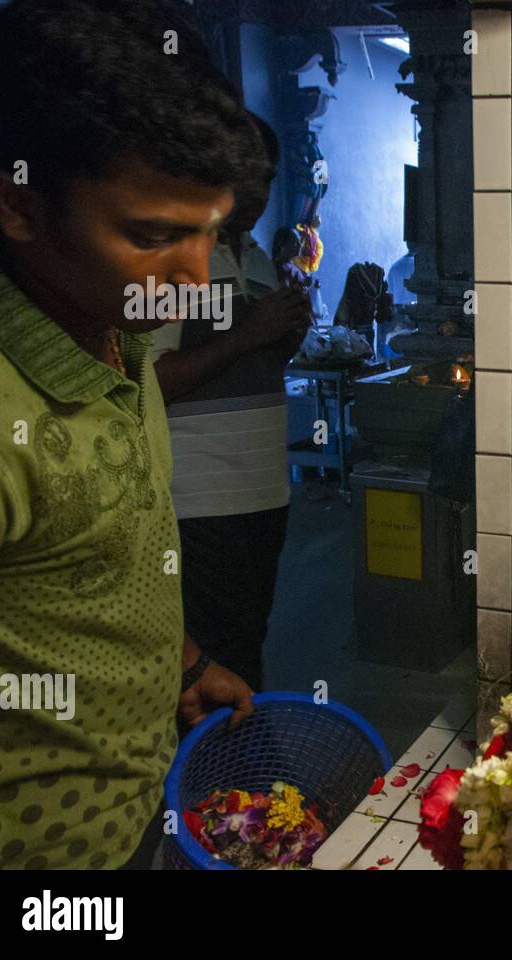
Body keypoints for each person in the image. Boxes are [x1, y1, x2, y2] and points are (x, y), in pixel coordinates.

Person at [0, 0, 260, 868]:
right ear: (22, 204)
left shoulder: (115, 327)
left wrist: (179, 664)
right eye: (153, 236)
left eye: (209, 231)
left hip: (140, 812)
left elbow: (94, 563)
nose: (195, 279)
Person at [151, 115, 310, 692]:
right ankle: (223, 767)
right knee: (212, 648)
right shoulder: (177, 264)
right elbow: (154, 380)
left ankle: (242, 767)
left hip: (265, 488)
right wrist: (251, 333)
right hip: (200, 496)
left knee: (248, 636)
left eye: (266, 177)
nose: (259, 193)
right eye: (245, 177)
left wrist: (283, 336)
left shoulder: (262, 260)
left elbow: (254, 367)